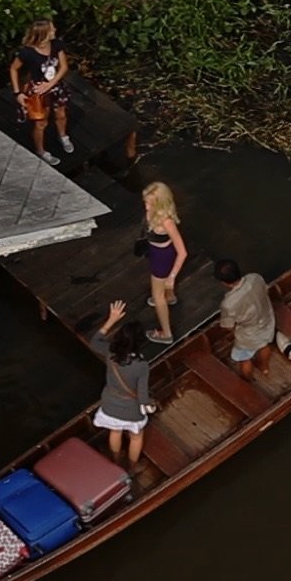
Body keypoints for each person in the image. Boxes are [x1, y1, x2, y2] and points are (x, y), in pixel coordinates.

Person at [88, 301, 153, 468]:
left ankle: (116, 462)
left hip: (110, 403)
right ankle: (131, 467)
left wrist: (112, 319)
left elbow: (95, 341)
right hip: (131, 410)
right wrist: (150, 406)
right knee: (136, 436)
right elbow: (143, 396)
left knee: (115, 431)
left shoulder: (111, 352)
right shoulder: (141, 365)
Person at [10, 19, 72, 166]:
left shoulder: (56, 44)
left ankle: (63, 136)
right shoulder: (27, 52)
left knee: (61, 113)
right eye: (52, 29)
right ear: (44, 33)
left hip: (55, 86)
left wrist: (51, 84)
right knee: (40, 123)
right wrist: (17, 92)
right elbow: (13, 69)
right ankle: (41, 150)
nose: (55, 30)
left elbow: (63, 67)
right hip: (38, 91)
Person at [141, 181, 187, 344]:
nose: (146, 206)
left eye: (150, 203)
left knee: (157, 296)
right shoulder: (153, 213)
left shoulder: (166, 222)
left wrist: (172, 277)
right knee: (161, 291)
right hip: (155, 252)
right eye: (146, 202)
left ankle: (166, 333)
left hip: (162, 257)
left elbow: (182, 252)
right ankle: (170, 296)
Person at [213, 258, 275, 381]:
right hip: (267, 321)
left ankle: (248, 379)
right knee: (264, 345)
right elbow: (265, 289)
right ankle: (264, 367)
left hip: (249, 335)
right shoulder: (255, 278)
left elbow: (228, 326)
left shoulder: (228, 303)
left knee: (244, 358)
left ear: (224, 282)